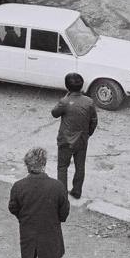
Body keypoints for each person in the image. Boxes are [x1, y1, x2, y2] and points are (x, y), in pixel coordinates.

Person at [7, 147, 70, 258]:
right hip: (50, 236)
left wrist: (24, 219)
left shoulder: (18, 186)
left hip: (28, 235)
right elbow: (64, 214)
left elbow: (13, 208)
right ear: (44, 164)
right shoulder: (57, 186)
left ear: (27, 165)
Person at [51, 72, 97, 200]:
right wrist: (88, 134)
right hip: (82, 140)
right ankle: (77, 191)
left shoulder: (65, 101)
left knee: (62, 167)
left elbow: (54, 113)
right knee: (80, 166)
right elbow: (94, 121)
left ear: (67, 86)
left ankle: (62, 194)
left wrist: (66, 96)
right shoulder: (89, 102)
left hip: (65, 140)